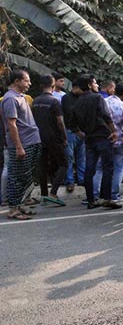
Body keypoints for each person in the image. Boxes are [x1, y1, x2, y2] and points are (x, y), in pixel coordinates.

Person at [73, 75, 122, 209]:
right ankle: (107, 198)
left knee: (90, 169)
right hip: (102, 135)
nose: (97, 85)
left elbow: (72, 123)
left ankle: (91, 200)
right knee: (107, 166)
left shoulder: (77, 102)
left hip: (89, 137)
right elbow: (106, 116)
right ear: (89, 85)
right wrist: (114, 131)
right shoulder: (97, 98)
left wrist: (82, 134)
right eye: (94, 83)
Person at [1, 69, 42, 220]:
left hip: (32, 141)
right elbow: (11, 125)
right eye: (26, 80)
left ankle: (21, 205)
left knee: (26, 177)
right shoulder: (10, 99)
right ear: (16, 81)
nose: (29, 83)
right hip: (22, 143)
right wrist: (18, 146)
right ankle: (13, 209)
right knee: (17, 177)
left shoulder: (22, 97)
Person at [32, 74, 68, 206]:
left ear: (41, 86)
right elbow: (60, 121)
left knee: (43, 166)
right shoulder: (54, 101)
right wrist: (64, 137)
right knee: (64, 163)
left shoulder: (35, 101)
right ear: (53, 86)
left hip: (39, 138)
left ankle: (43, 195)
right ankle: (53, 192)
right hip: (54, 138)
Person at [92, 83, 123, 203]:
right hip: (119, 141)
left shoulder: (103, 102)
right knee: (118, 169)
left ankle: (94, 194)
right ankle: (114, 194)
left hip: (103, 139)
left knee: (99, 168)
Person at [61, 81, 86, 193]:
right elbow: (69, 114)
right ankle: (69, 181)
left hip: (82, 131)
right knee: (69, 157)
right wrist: (76, 130)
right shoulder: (66, 98)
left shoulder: (82, 97)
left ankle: (82, 179)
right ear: (75, 88)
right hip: (70, 131)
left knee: (81, 157)